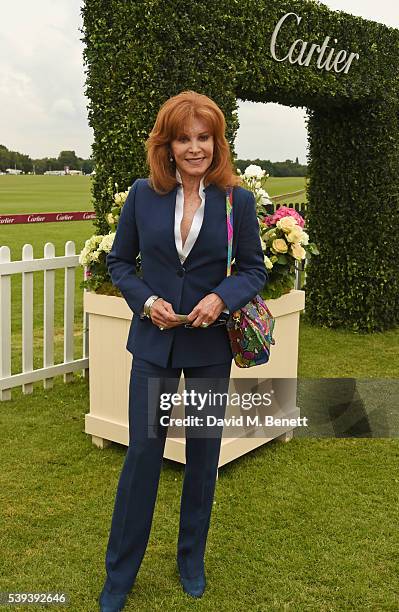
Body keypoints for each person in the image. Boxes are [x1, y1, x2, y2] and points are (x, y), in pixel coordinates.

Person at [98, 90, 268, 611]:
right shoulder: (141, 195)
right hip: (154, 346)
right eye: (184, 138)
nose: (195, 148)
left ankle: (190, 559)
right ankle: (120, 576)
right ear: (167, 145)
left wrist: (222, 296)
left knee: (202, 457)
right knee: (144, 457)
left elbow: (255, 269)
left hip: (210, 350)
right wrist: (147, 301)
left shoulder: (236, 200)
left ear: (217, 144)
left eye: (204, 138)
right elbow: (120, 263)